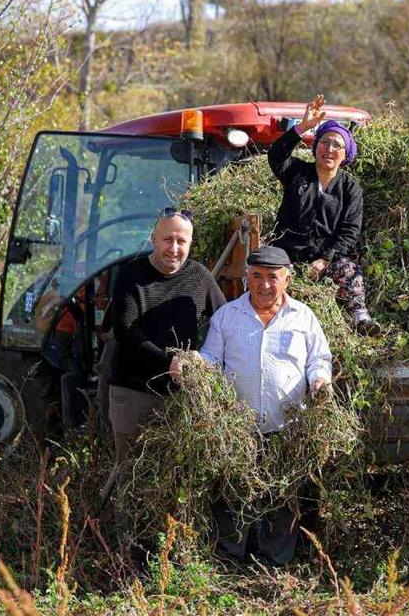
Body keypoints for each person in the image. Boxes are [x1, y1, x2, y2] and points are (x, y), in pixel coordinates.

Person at [189, 245, 332, 565]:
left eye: (272, 277)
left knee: (281, 496)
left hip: (287, 426)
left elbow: (318, 360)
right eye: (257, 276)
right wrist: (195, 364)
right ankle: (229, 559)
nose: (265, 285)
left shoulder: (303, 317)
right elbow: (213, 359)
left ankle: (274, 563)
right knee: (232, 493)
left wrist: (320, 379)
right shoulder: (228, 316)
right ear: (245, 279)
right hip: (238, 426)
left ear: (287, 279)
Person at [106, 208, 225, 465]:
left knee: (176, 473)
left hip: (180, 396)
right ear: (153, 239)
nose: (173, 248)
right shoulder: (131, 275)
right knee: (133, 471)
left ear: (190, 244)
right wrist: (168, 362)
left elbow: (225, 321)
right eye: (167, 240)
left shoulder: (199, 276)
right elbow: (125, 332)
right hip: (134, 393)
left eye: (181, 241)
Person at [268, 94, 379, 334]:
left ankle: (360, 318)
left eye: (336, 145)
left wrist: (326, 259)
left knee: (349, 269)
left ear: (346, 154)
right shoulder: (296, 172)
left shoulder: (350, 188)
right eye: (324, 142)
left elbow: (350, 231)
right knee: (268, 269)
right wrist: (303, 127)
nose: (329, 149)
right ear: (315, 146)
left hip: (324, 260)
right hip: (287, 255)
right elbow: (276, 156)